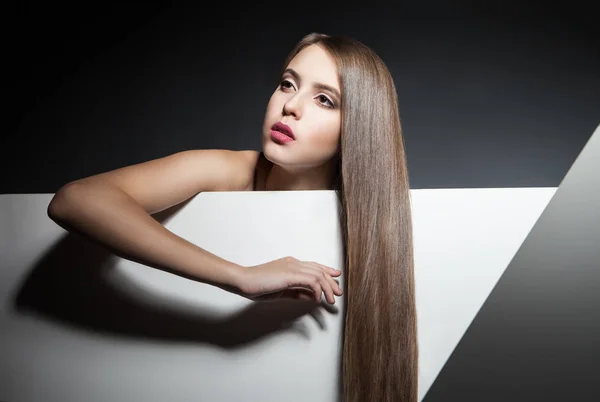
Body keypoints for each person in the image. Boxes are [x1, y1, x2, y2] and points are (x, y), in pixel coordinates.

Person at [48, 32, 418, 402]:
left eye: (324, 100)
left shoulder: (375, 221)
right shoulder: (231, 169)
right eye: (287, 84)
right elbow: (75, 200)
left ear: (358, 128)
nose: (291, 106)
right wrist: (239, 276)